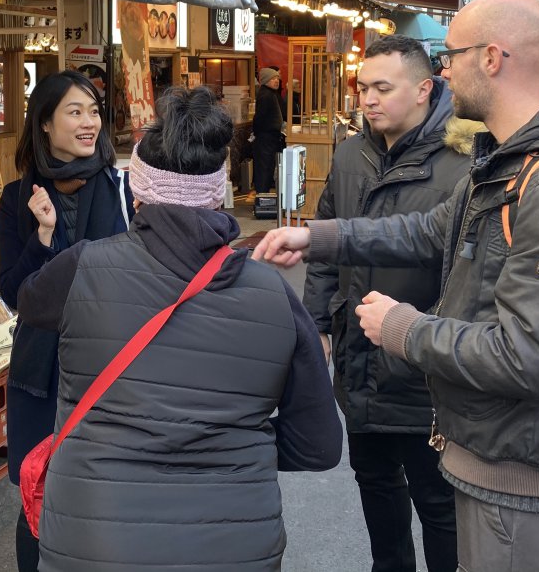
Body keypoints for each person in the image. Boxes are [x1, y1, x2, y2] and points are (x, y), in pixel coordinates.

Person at [253, 0, 539, 572]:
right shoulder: (513, 161)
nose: (443, 71)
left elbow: (529, 357)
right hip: (494, 452)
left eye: (451, 54)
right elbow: (428, 231)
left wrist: (404, 328)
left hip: (524, 466)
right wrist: (321, 238)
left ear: (492, 58)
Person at [17, 86, 342, 571]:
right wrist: (231, 440)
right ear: (221, 190)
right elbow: (318, 446)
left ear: (137, 190)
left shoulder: (81, 269)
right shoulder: (275, 296)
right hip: (233, 547)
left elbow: (28, 300)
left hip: (95, 541)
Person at [303, 35, 476, 572]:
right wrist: (318, 324)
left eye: (383, 88)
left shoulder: (466, 156)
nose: (368, 100)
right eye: (362, 88)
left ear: (425, 89)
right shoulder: (353, 151)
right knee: (374, 481)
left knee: (437, 499)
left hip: (423, 359)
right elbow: (326, 248)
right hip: (357, 351)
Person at [0, 70, 133, 572]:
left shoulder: (122, 188)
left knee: (102, 497)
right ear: (46, 124)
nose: (89, 122)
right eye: (75, 111)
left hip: (107, 369)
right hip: (39, 371)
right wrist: (44, 236)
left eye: (94, 111)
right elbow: (14, 293)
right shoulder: (17, 199)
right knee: (37, 497)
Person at [250, 67, 285, 198]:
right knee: (264, 169)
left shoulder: (271, 93)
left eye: (277, 78)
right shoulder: (265, 95)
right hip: (265, 138)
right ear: (265, 81)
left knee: (267, 167)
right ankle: (262, 198)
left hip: (270, 137)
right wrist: (257, 133)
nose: (276, 81)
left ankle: (263, 196)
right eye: (273, 78)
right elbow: (259, 118)